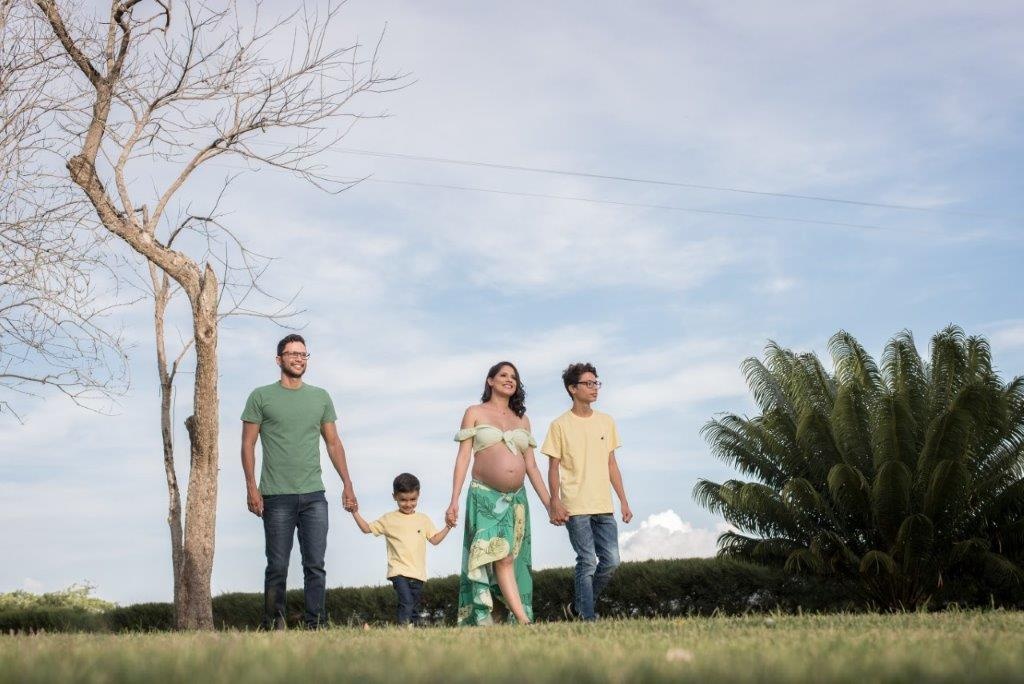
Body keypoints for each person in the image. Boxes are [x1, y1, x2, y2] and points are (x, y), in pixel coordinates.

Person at [241, 333, 357, 630]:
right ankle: (273, 625)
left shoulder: (320, 397)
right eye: (292, 353)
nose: (298, 358)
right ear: (278, 359)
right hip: (276, 496)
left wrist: (347, 483)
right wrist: (251, 487)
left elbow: (333, 443)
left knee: (315, 565)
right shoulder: (261, 396)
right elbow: (247, 444)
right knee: (277, 566)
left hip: (314, 496)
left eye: (303, 354)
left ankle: (315, 624)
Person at [446, 361, 551, 625]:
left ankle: (505, 617)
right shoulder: (474, 412)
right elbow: (463, 458)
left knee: (510, 559)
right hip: (484, 497)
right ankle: (523, 621)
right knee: (499, 556)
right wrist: (454, 500)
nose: (509, 379)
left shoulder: (522, 420)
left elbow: (532, 466)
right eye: (503, 375)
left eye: (513, 376)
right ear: (490, 381)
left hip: (516, 500)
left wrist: (550, 504)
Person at [542, 362, 632, 621]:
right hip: (575, 506)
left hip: (603, 504)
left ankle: (578, 607)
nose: (595, 388)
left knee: (612, 561)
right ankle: (587, 618)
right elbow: (553, 468)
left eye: (596, 383)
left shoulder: (606, 422)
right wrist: (555, 502)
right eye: (588, 383)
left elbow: (612, 464)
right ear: (573, 388)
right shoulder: (559, 425)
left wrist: (623, 501)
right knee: (587, 560)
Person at [350, 472, 453, 626]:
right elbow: (366, 528)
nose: (408, 504)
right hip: (398, 572)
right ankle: (402, 630)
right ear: (395, 497)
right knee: (407, 602)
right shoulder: (388, 519)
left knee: (414, 608)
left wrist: (448, 526)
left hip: (418, 573)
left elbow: (435, 540)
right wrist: (354, 512)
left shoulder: (423, 519)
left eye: (413, 499)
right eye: (403, 500)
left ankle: (414, 632)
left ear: (418, 495)